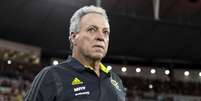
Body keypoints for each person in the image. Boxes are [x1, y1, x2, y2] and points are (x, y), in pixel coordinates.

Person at [25, 5, 125, 101]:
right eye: (92, 30)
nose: (101, 37)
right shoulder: (51, 75)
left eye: (105, 32)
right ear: (73, 37)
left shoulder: (116, 81)